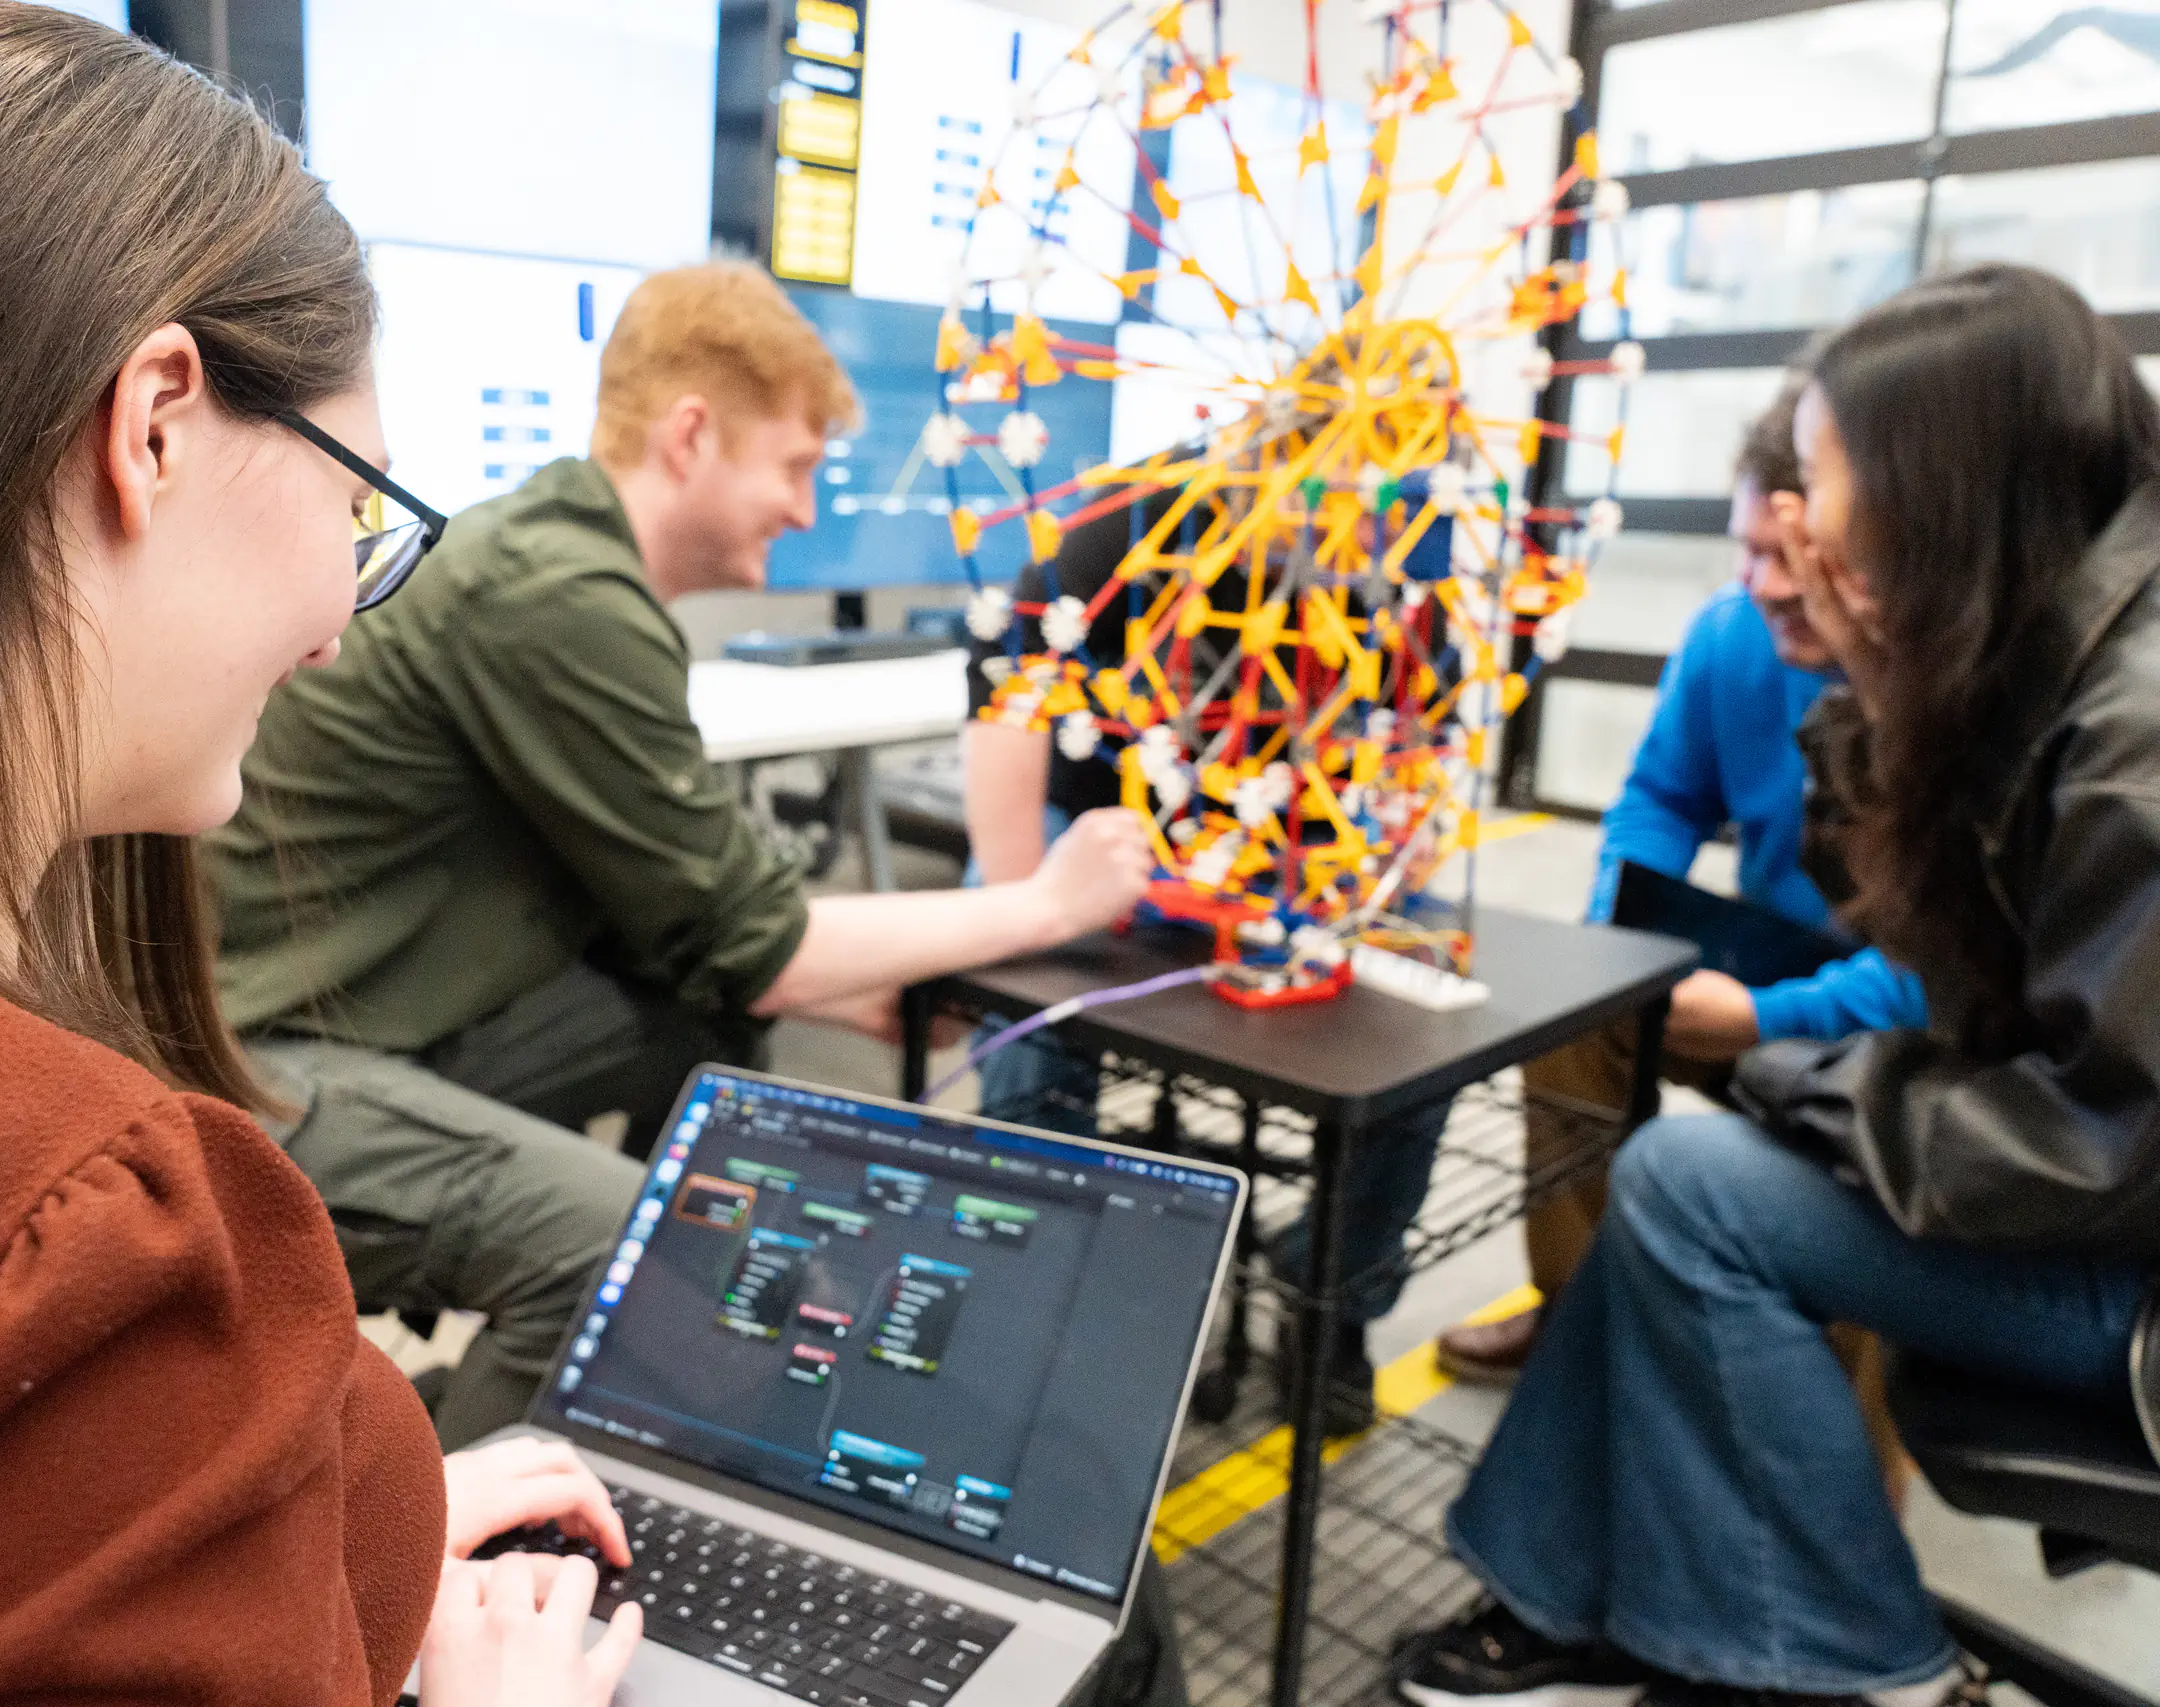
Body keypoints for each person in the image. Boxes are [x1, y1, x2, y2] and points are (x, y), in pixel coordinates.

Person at [0, 7, 635, 1701]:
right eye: (361, 507)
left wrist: (243, 1535)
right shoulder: (45, 1226)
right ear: (153, 419)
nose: (333, 628)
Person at [203, 263, 1153, 1446]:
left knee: (693, 1022)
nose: (808, 510)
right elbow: (767, 947)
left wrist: (835, 986)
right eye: (797, 467)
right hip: (256, 1067)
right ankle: (428, 1551)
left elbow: (703, 927)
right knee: (619, 1233)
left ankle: (659, 1355)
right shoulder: (557, 595)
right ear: (692, 435)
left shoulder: (564, 564)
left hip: (366, 1007)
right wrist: (1048, 903)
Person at [1394, 264, 2160, 1707]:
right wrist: (1877, 665)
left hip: (2118, 1254)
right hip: (2057, 1154)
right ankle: (1566, 1598)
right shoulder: (2042, 645)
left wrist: (1784, 1065)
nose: (1795, 542)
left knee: (1694, 1175)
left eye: (1819, 482)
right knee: (1641, 1115)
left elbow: (2072, 1143)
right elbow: (1955, 955)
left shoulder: (2136, 735)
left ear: (1934, 490)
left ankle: (1873, 1657)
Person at [1436, 382, 1928, 1384]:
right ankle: (1574, 1318)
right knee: (1574, 1019)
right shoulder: (1729, 636)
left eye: (1788, 557)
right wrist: (1615, 935)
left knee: (1886, 1143)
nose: (1763, 585)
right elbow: (1659, 799)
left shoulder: (1943, 688)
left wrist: (1766, 1015)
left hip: (1892, 1026)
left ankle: (1841, 1433)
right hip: (1769, 961)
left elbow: (1949, 974)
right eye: (1746, 550)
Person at [961, 462, 1459, 1430]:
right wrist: (1027, 923)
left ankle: (1330, 1289)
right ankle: (1052, 1310)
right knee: (1024, 1025)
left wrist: (1365, 883)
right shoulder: (1114, 540)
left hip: (1301, 861)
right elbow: (1008, 743)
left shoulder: (1400, 574)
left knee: (1425, 1025)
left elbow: (1419, 799)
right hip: (1097, 856)